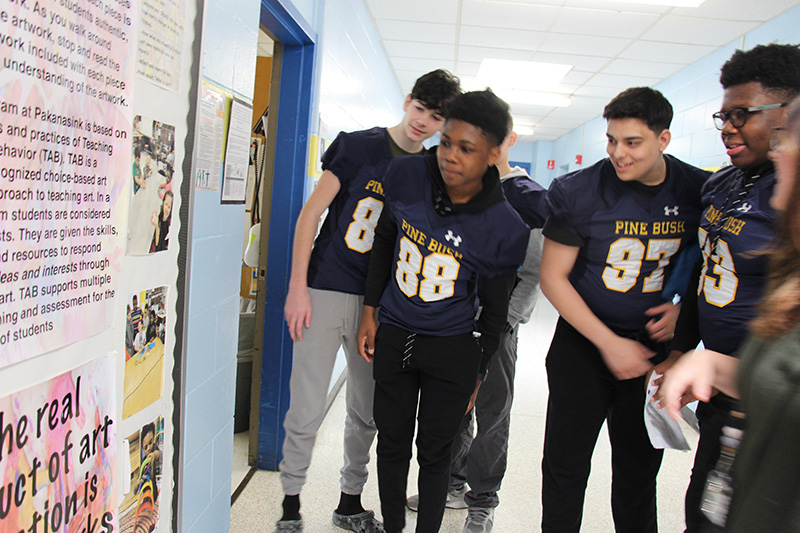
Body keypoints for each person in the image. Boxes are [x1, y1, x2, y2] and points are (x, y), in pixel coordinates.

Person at [276, 69, 461, 533]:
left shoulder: (429, 170)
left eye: (435, 117)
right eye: (419, 108)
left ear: (444, 123)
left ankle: (349, 501)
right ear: (407, 101)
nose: (423, 122)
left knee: (367, 410)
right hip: (323, 288)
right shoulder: (359, 146)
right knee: (307, 404)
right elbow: (310, 215)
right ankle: (290, 505)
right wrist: (297, 287)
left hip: (377, 305)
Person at [357, 89, 530, 533]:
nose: (450, 156)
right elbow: (383, 240)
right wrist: (369, 311)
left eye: (467, 149)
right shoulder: (407, 174)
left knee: (435, 454)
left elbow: (494, 311)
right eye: (447, 142)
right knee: (391, 445)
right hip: (394, 331)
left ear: (493, 154)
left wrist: (479, 371)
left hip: (451, 348)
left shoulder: (503, 226)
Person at [539, 86, 709, 532]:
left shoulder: (697, 189)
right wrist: (608, 343)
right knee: (565, 468)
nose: (619, 153)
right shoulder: (579, 191)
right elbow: (553, 278)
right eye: (612, 140)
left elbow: (705, 263)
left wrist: (683, 309)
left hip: (651, 349)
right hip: (583, 344)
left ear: (664, 139)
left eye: (632, 142)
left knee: (637, 475)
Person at [655, 43, 800, 533]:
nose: (730, 127)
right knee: (706, 507)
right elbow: (702, 271)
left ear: (789, 113)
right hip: (721, 385)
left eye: (743, 113)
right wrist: (682, 349)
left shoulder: (790, 199)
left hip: (773, 388)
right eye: (724, 116)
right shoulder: (721, 184)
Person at [404, 123, 547, 533]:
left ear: (508, 142)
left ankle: (482, 500)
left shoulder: (530, 198)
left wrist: (506, 323)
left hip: (499, 326)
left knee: (491, 411)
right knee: (453, 407)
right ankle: (451, 481)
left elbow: (535, 270)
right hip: (453, 321)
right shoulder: (462, 187)